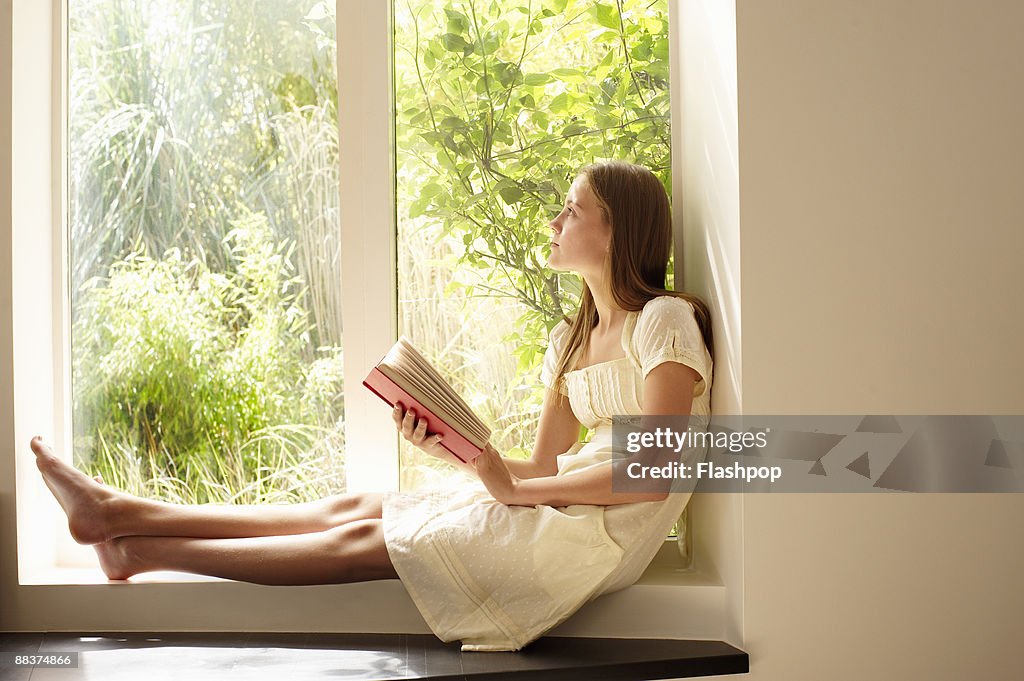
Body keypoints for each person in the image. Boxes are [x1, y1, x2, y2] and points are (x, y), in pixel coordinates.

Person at [30, 160, 714, 652]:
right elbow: (536, 463)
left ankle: (138, 544)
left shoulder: (663, 321)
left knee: (366, 540)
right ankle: (121, 520)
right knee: (360, 504)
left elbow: (651, 473)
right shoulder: (572, 338)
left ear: (617, 231)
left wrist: (513, 489)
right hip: (562, 503)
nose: (554, 219)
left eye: (572, 208)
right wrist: (452, 447)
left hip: (599, 534)